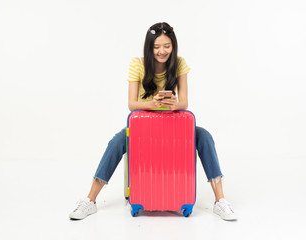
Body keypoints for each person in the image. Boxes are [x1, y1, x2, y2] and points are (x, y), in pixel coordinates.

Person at [69, 22, 237, 221]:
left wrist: (174, 104)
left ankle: (220, 201)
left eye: (166, 46)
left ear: (173, 46)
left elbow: (184, 102)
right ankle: (90, 200)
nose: (162, 51)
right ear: (149, 47)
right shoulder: (137, 64)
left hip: (173, 124)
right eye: (156, 47)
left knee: (204, 137)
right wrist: (153, 103)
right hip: (143, 126)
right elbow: (132, 104)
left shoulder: (180, 64)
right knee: (117, 142)